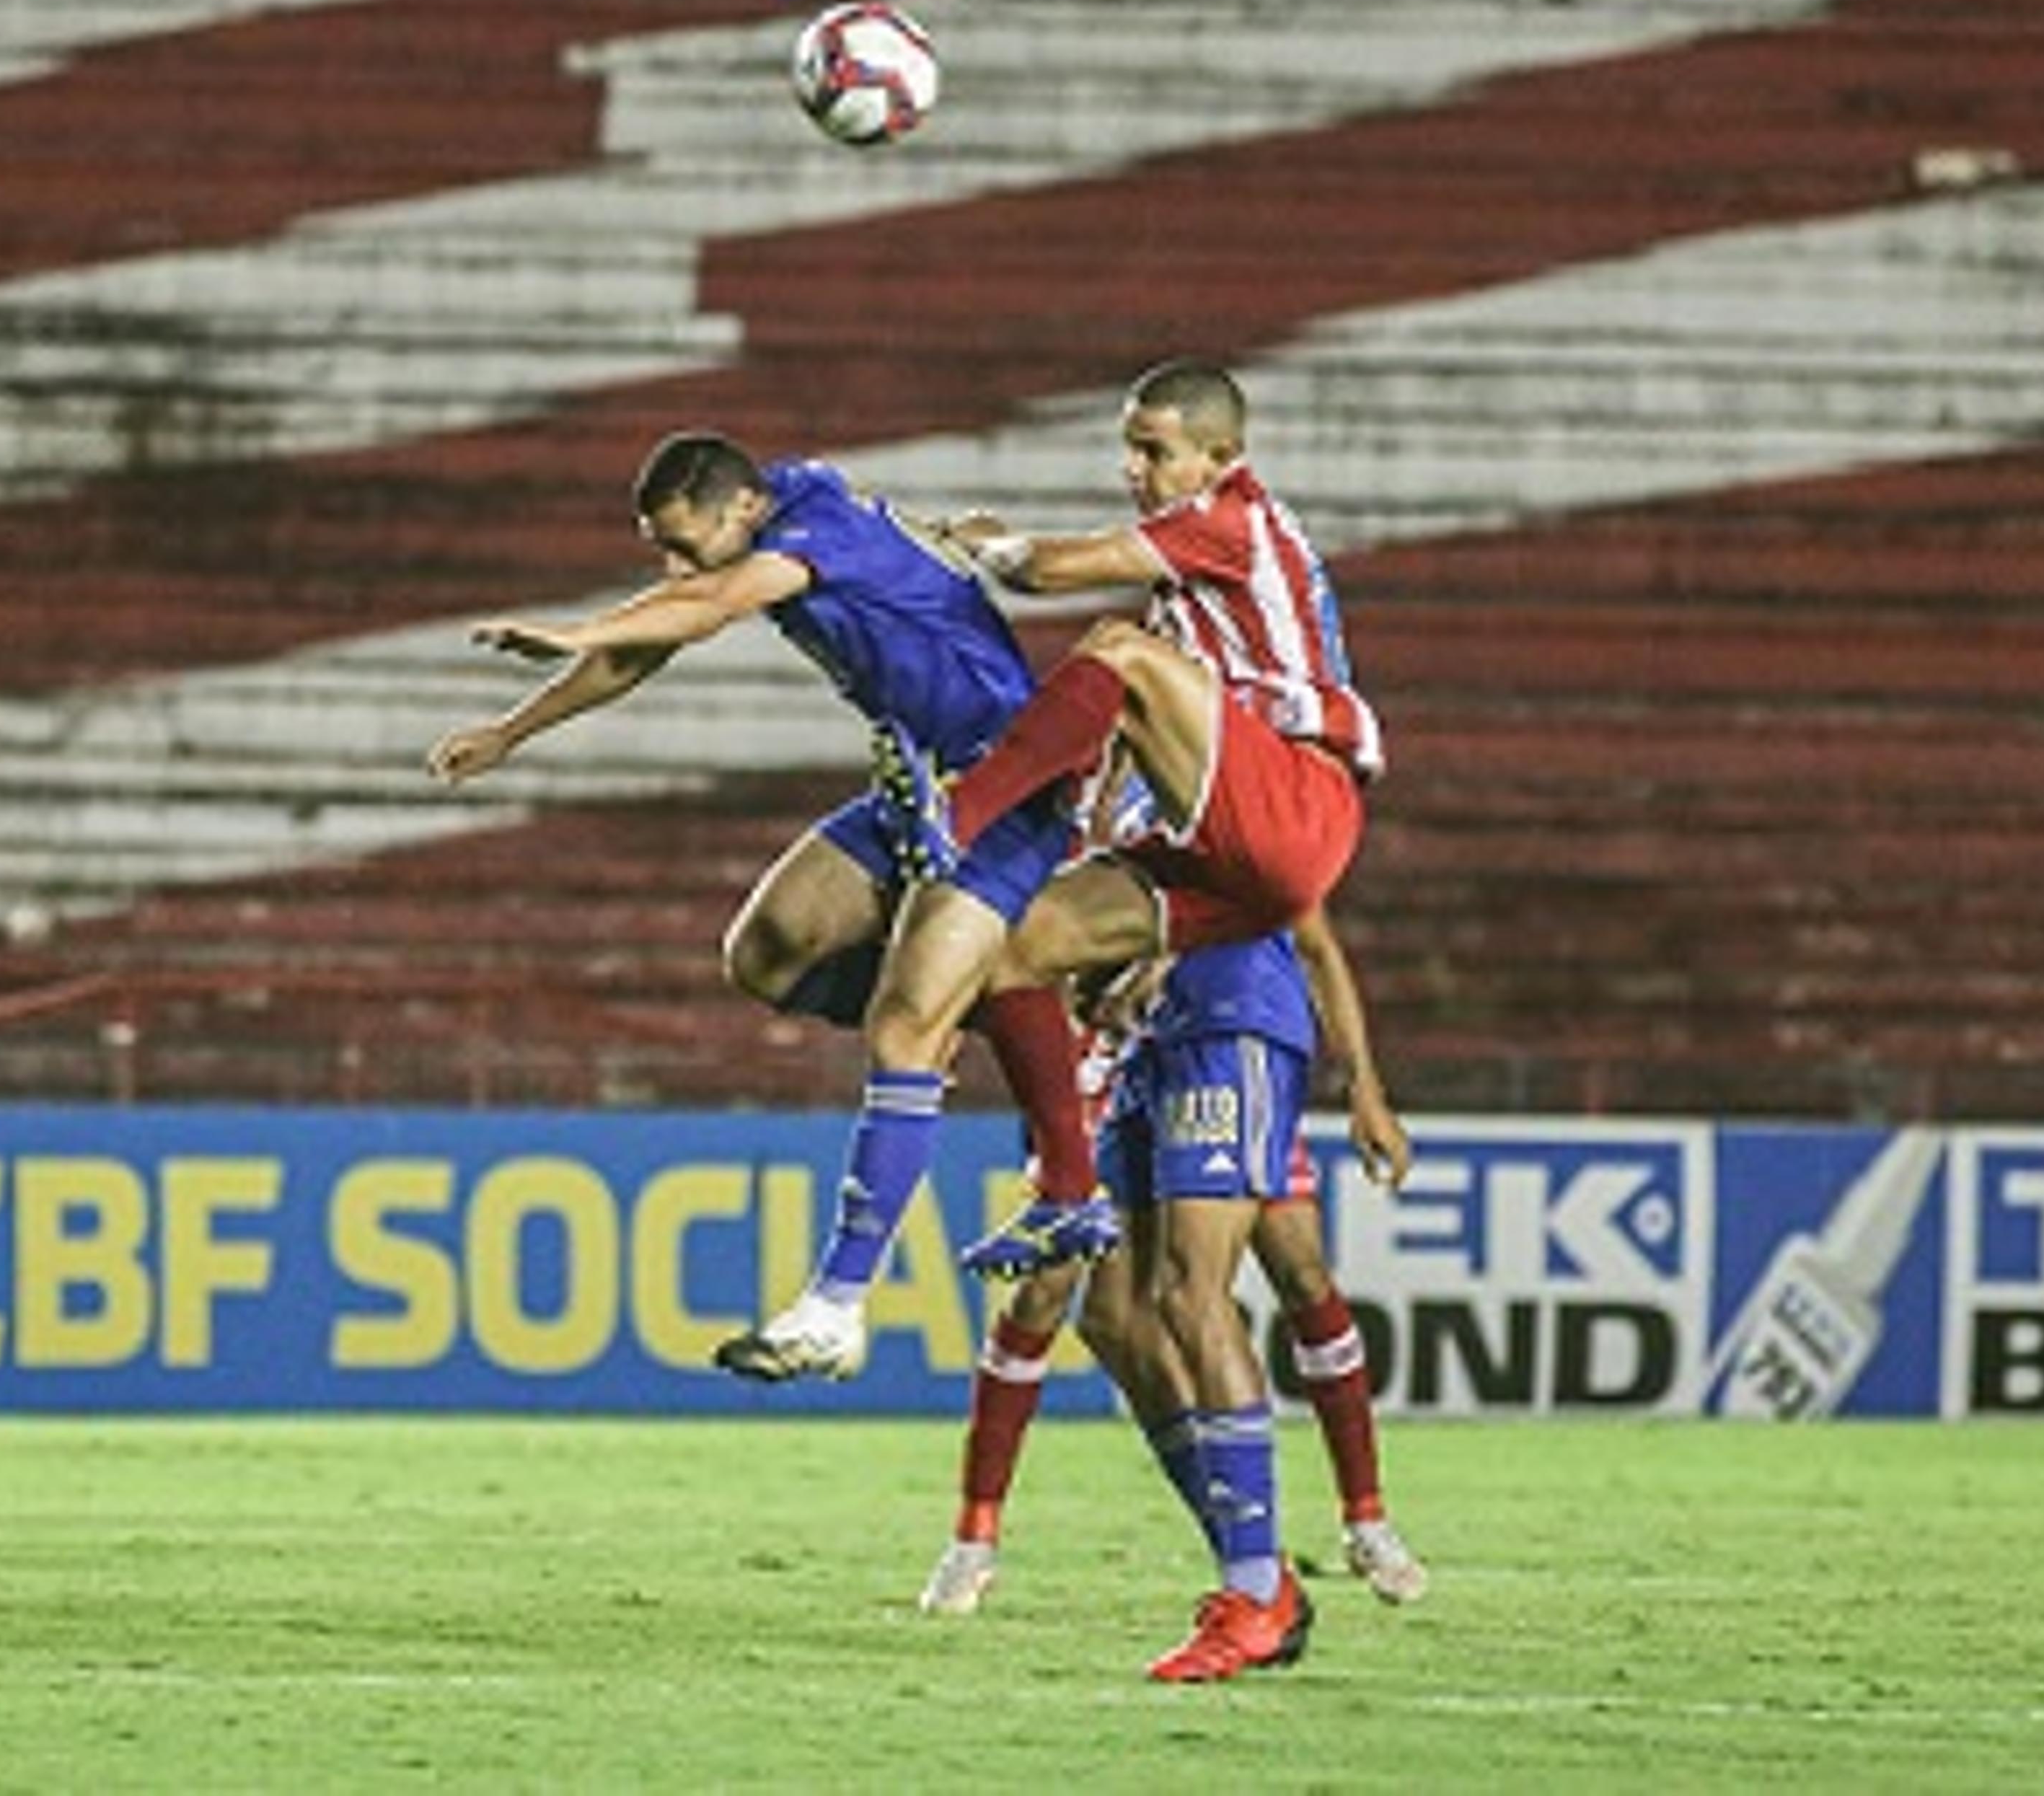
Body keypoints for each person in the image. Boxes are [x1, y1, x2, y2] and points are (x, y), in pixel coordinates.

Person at [721, 357, 1386, 1381]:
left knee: (1112, 651)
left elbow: (1043, 571)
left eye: (1155, 449)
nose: (1136, 467)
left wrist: (989, 544)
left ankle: (963, 810)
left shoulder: (1230, 517)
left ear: (1221, 455)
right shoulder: (1191, 604)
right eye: (1129, 446)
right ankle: (1066, 1195)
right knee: (1011, 951)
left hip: (1301, 800)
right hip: (1230, 859)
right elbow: (1129, 747)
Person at [427, 432, 1116, 1305]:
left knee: (904, 1027)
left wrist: (577, 625)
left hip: (1006, 781)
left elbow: (713, 601)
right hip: (922, 783)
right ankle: (977, 1003)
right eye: (661, 549)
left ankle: (847, 1295)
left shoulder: (814, 530)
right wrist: (511, 732)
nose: (675, 565)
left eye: (683, 544)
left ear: (744, 510)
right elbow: (654, 639)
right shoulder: (781, 500)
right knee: (768, 947)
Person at [920, 929, 1430, 1632]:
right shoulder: (1061, 838)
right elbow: (999, 931)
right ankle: (976, 1539)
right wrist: (943, 1024)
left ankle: (1363, 1518)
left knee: (1298, 1273)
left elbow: (1305, 933)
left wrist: (1363, 1085)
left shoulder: (1229, 851)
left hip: (1215, 1046)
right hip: (1102, 1059)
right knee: (1071, 1297)